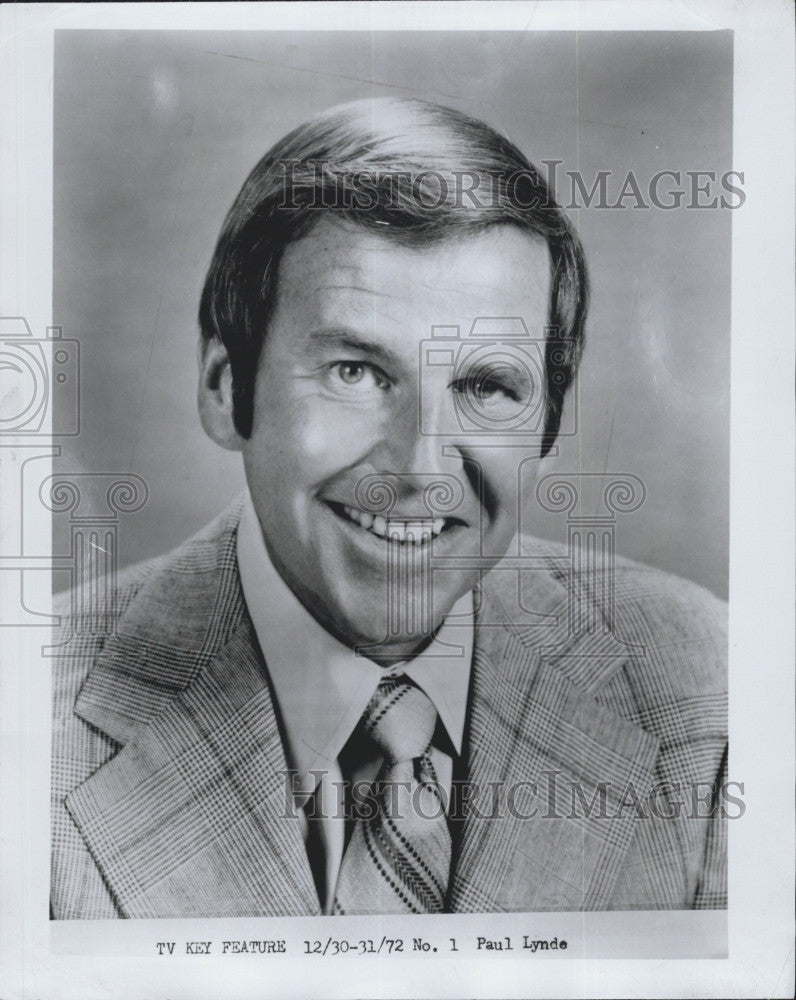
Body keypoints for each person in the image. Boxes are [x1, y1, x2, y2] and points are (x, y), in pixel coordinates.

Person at [50, 98, 727, 919]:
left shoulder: (712, 691)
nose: (420, 469)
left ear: (547, 422)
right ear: (226, 388)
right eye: (355, 372)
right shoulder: (33, 723)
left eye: (485, 386)